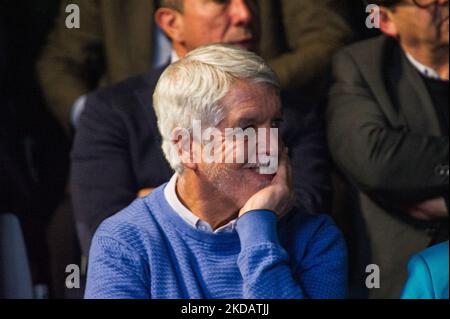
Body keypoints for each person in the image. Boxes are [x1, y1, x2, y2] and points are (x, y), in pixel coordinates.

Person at [84, 44, 348, 299]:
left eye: (275, 123)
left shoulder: (316, 238)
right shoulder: (123, 241)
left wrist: (258, 228)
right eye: (247, 128)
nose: (274, 145)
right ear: (187, 147)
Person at [71, 0, 332, 256]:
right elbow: (104, 234)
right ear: (172, 23)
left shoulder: (293, 108)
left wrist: (167, 205)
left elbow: (305, 216)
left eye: (251, 0)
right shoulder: (111, 110)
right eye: (221, 2)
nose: (244, 14)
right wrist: (257, 207)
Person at [37, 0, 351, 132]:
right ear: (169, 23)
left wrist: (237, 89)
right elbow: (60, 61)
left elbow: (327, 39)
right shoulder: (115, 118)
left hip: (256, 126)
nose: (243, 13)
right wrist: (97, 121)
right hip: (130, 138)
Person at [327, 0, 449, 298]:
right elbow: (376, 162)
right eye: (426, 0)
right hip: (402, 275)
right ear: (386, 20)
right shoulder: (363, 67)